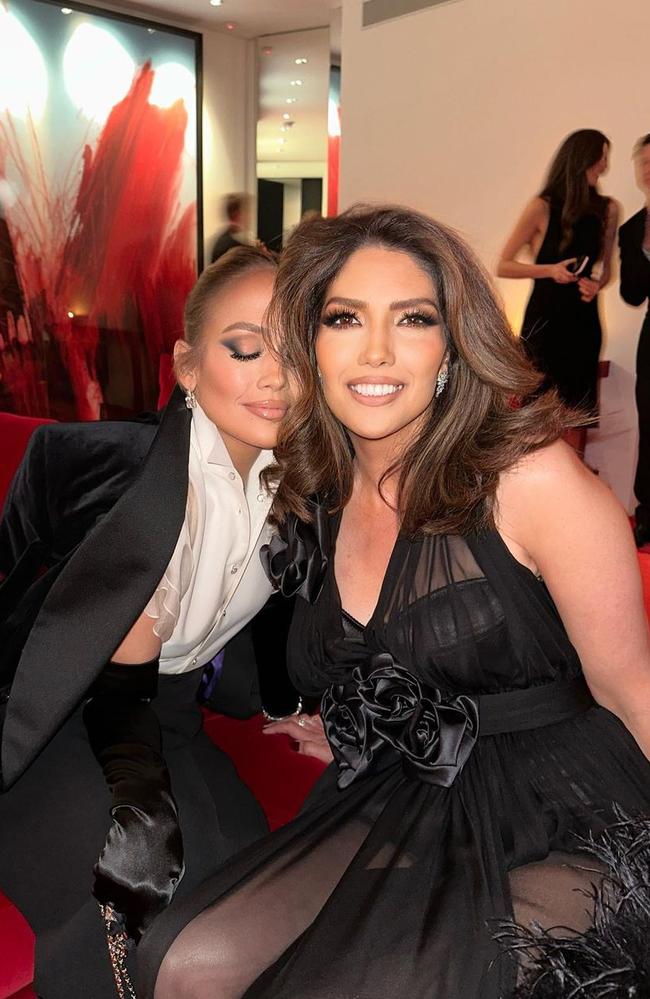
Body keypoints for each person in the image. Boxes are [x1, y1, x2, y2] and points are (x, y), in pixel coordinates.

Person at [138, 206, 650, 999]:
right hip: (408, 784)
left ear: (451, 345)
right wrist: (349, 713)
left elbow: (632, 685)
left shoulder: (529, 477)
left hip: (570, 806)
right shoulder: (319, 491)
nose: (375, 350)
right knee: (186, 965)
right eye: (345, 318)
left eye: (413, 319)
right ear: (310, 341)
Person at [0, 246, 296, 998]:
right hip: (54, 721)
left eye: (297, 350)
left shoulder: (304, 495)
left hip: (171, 715)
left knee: (255, 900)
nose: (275, 374)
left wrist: (306, 707)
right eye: (246, 346)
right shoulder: (86, 461)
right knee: (133, 913)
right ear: (188, 365)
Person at [498, 129, 619, 458]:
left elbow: (606, 269)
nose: (605, 165)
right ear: (583, 159)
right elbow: (504, 264)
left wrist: (596, 283)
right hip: (544, 321)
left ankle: (573, 485)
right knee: (538, 410)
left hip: (583, 320)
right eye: (601, 156)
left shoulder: (609, 209)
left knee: (576, 413)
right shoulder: (542, 207)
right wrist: (550, 271)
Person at [619, 134, 650, 548]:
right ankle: (648, 516)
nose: (648, 168)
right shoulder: (631, 230)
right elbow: (632, 293)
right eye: (642, 162)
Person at [210, 194, 254, 264]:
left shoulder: (227, 240)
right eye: (247, 211)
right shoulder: (231, 246)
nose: (250, 217)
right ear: (237, 215)